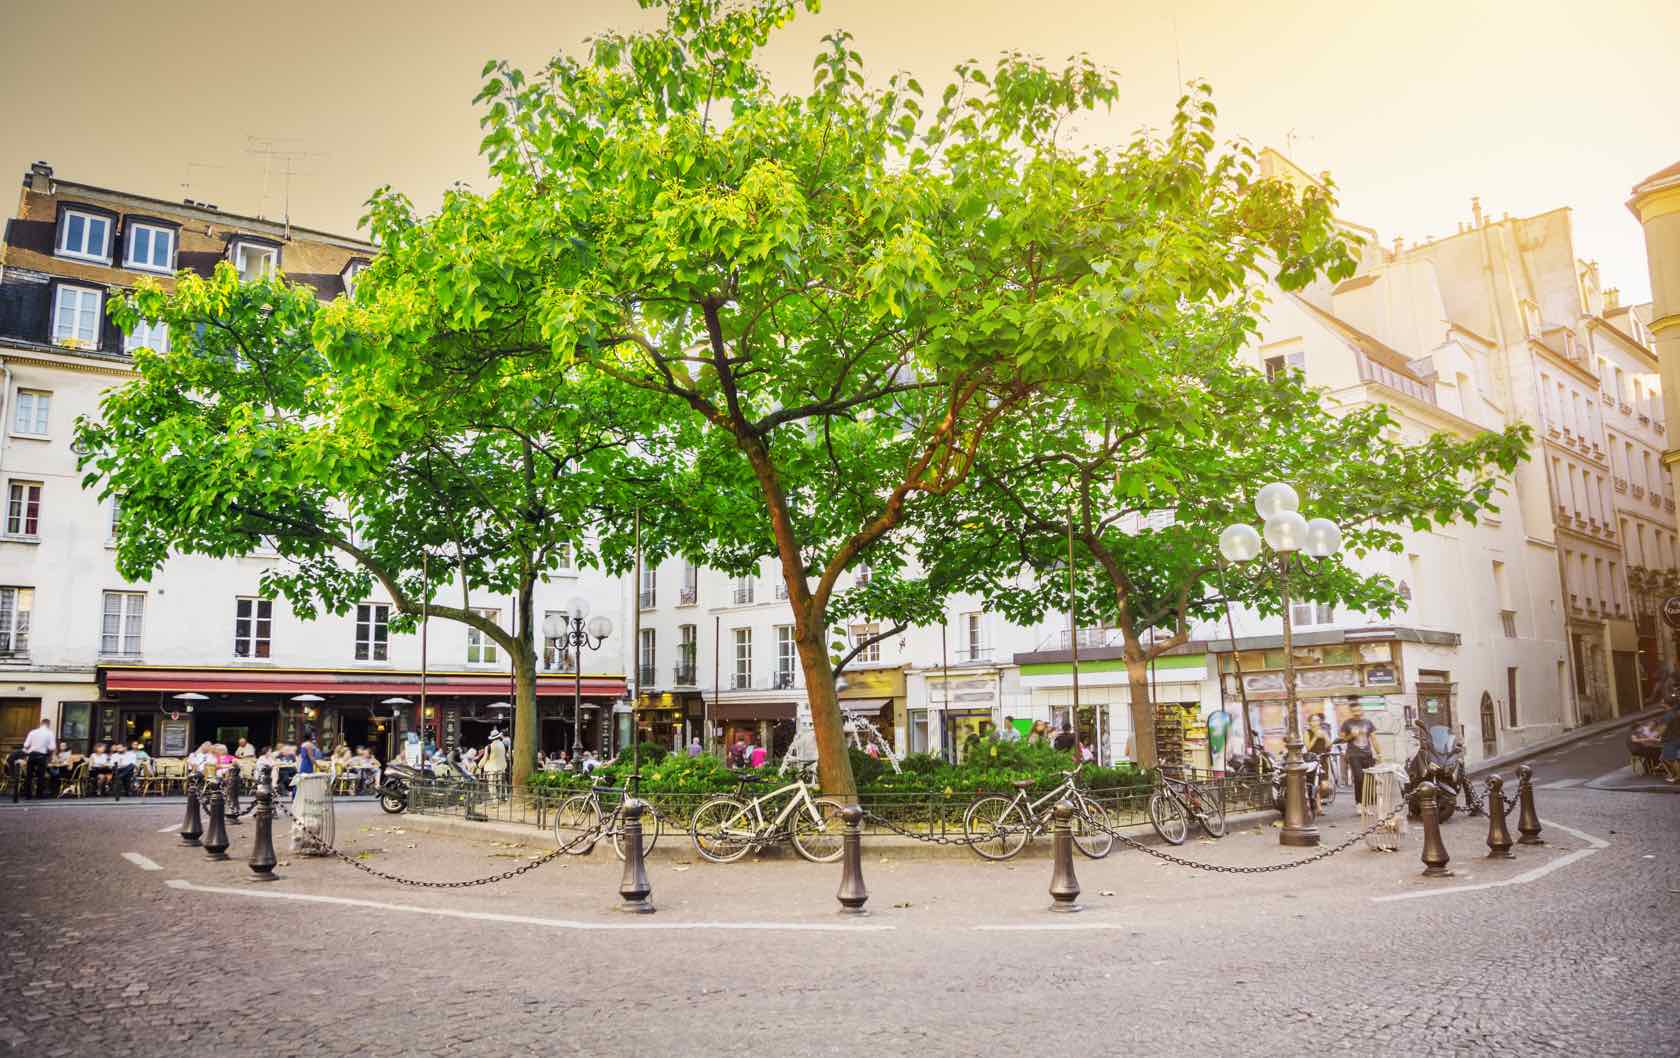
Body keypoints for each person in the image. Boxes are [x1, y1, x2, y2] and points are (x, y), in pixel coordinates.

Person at [1338, 701, 1380, 797]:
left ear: (1362, 710)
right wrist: (1351, 735)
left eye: (1358, 710)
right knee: (1359, 778)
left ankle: (1369, 802)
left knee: (1370, 778)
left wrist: (1379, 754)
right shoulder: (1347, 723)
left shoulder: (1368, 722)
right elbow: (1343, 739)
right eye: (1354, 711)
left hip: (1368, 754)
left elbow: (1374, 739)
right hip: (1354, 755)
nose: (1356, 713)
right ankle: (1359, 802)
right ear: (1351, 712)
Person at [21, 717, 55, 799]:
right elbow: (52, 747)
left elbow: (26, 745)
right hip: (41, 756)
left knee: (29, 775)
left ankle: (28, 795)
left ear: (41, 723)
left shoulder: (33, 732)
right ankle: (39, 795)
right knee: (41, 775)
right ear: (48, 724)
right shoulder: (50, 733)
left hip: (32, 755)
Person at [1661, 693, 1680, 785]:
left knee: (1670, 759)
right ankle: (1674, 775)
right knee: (1669, 758)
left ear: (1666, 703)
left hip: (1671, 740)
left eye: (1662, 701)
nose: (1661, 702)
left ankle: (1678, 776)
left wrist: (1656, 735)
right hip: (1676, 737)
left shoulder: (1668, 715)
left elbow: (1663, 728)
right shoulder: (1675, 713)